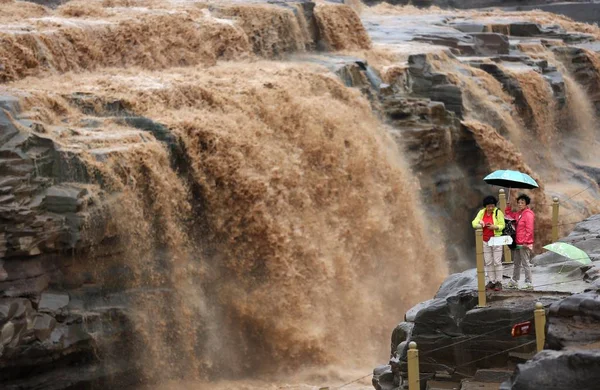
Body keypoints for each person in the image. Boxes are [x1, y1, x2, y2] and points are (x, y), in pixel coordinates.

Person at [472, 195, 505, 291]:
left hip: (496, 239)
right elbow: (474, 223)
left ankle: (499, 282)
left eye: (492, 206)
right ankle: (492, 281)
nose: (490, 208)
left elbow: (502, 225)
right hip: (485, 240)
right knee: (488, 262)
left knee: (497, 261)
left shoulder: (498, 212)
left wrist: (495, 227)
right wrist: (481, 223)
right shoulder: (481, 213)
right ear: (485, 206)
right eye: (488, 206)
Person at [505, 194, 535, 290]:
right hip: (518, 242)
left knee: (525, 262)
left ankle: (529, 282)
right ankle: (514, 281)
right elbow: (510, 216)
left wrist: (527, 241)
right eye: (519, 203)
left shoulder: (528, 214)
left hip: (524, 243)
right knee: (516, 262)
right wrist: (508, 208)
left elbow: (529, 229)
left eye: (522, 202)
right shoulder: (519, 213)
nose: (520, 204)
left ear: (526, 203)